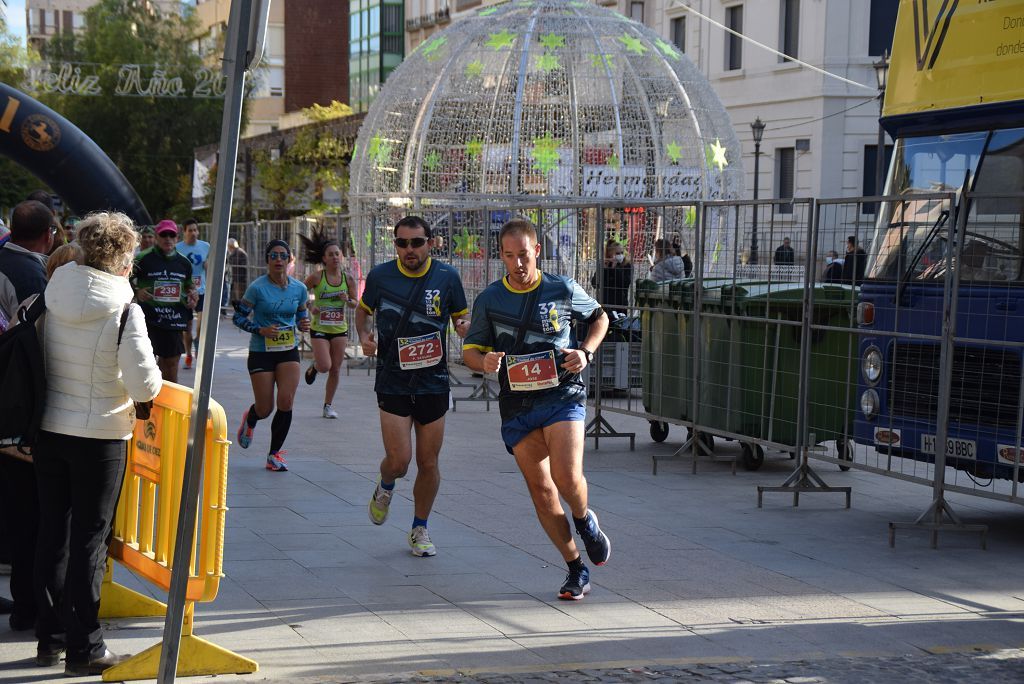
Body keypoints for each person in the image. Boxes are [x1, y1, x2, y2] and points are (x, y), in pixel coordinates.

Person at [33, 212, 162, 675]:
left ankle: (48, 635)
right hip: (101, 434)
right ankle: (86, 646)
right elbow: (145, 383)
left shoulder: (54, 289)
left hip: (49, 427)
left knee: (53, 531)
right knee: (90, 539)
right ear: (125, 256)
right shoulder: (125, 306)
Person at [463, 218, 611, 601]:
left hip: (561, 395)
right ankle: (575, 567)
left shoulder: (561, 288)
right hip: (517, 404)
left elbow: (600, 317)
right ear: (501, 256)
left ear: (537, 252)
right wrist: (485, 362)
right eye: (509, 257)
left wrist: (585, 352)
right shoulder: (490, 300)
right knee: (543, 493)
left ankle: (584, 519)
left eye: (524, 255)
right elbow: (470, 351)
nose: (517, 264)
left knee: (566, 476)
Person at [356, 216, 469, 558]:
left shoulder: (447, 277)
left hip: (433, 381)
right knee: (399, 460)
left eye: (416, 243)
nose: (409, 250)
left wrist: (465, 326)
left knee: (429, 462)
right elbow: (362, 312)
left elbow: (461, 317)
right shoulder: (380, 276)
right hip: (392, 379)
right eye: (402, 243)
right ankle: (385, 484)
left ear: (430, 243)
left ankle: (420, 527)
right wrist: (363, 335)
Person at [0, 199, 53, 634]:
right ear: (49, 234)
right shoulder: (31, 274)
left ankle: (24, 604)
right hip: (14, 409)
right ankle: (32, 607)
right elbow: (31, 344)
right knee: (29, 513)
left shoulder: (6, 263)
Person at [232, 240, 311, 472]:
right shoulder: (257, 288)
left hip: (288, 350)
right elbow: (239, 319)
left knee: (285, 401)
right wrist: (260, 330)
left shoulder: (299, 289)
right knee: (266, 408)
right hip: (261, 351)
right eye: (274, 256)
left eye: (283, 256)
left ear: (289, 260)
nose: (278, 260)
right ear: (267, 260)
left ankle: (274, 455)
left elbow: (301, 316)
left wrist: (304, 323)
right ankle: (252, 418)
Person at [300, 228, 358, 419]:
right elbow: (299, 293)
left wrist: (347, 299)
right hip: (320, 328)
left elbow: (355, 303)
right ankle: (315, 367)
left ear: (341, 256)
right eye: (330, 254)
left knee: (335, 368)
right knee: (325, 365)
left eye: (337, 254)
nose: (335, 257)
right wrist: (310, 305)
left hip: (339, 328)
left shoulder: (348, 278)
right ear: (324, 258)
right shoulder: (318, 277)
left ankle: (328, 406)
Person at [131, 219, 198, 383]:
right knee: (145, 366)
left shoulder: (184, 263)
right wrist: (137, 292)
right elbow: (124, 279)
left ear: (177, 237)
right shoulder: (142, 259)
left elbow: (189, 287)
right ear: (156, 237)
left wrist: (192, 295)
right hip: (148, 319)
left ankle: (168, 403)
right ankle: (146, 404)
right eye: (163, 235)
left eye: (171, 235)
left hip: (173, 320)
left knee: (171, 364)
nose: (168, 238)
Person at [176, 218, 210, 369]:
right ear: (184, 232)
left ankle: (198, 340)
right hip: (185, 293)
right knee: (187, 328)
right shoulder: (178, 248)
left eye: (196, 230)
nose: (194, 233)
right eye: (190, 230)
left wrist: (208, 264)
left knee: (202, 325)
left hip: (201, 291)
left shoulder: (205, 246)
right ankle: (188, 354)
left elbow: (211, 263)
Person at [591, 239, 633, 317]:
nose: (620, 255)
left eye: (622, 253)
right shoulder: (605, 264)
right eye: (617, 253)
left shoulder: (626, 265)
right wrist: (604, 269)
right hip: (606, 304)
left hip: (620, 305)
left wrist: (615, 269)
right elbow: (595, 284)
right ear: (610, 254)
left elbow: (625, 283)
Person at [227, 237, 249, 304]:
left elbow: (243, 266)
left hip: (240, 278)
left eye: (228, 246)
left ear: (231, 246)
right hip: (236, 278)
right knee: (237, 296)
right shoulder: (234, 253)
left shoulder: (240, 253)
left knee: (240, 296)